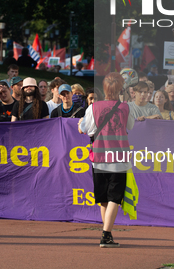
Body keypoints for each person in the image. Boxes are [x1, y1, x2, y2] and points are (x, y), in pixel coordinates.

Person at [78, 72, 135, 248]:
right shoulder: (125, 107)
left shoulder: (93, 107)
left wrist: (81, 123)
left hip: (99, 156)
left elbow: (88, 130)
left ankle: (107, 233)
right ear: (120, 89)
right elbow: (130, 126)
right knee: (115, 198)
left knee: (104, 198)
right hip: (118, 156)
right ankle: (106, 234)